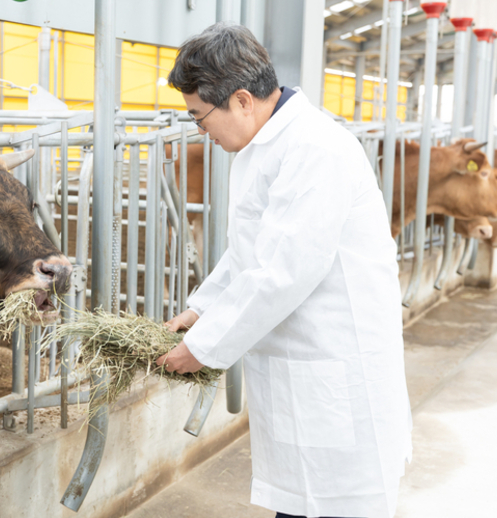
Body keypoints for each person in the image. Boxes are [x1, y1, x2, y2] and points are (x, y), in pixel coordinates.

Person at [155, 23, 412, 518]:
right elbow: (253, 247)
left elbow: (287, 268)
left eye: (199, 117)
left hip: (336, 367)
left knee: (336, 504)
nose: (200, 131)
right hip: (301, 371)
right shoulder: (264, 145)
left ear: (243, 101)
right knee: (301, 502)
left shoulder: (315, 149)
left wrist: (205, 347)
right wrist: (201, 308)